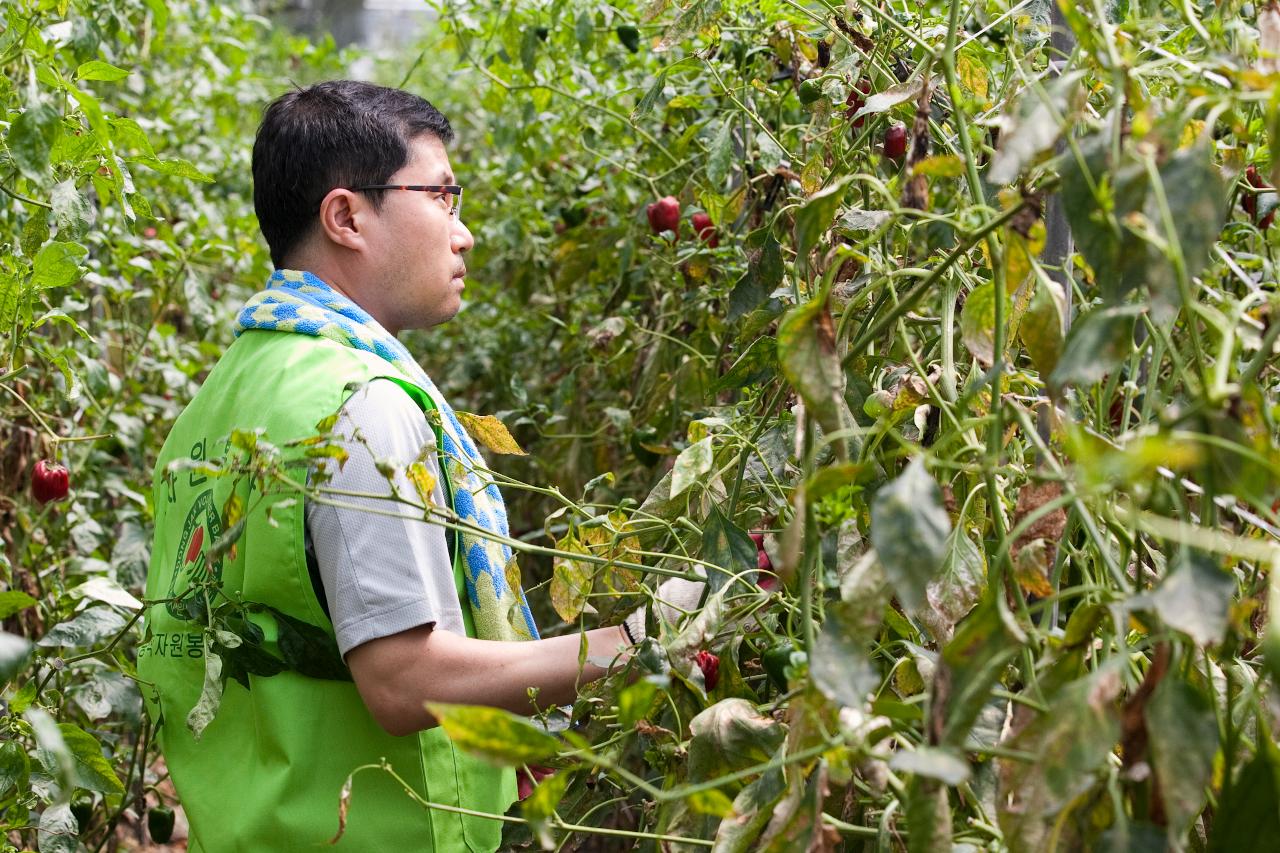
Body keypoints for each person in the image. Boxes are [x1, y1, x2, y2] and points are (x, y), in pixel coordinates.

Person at [138, 80, 703, 852]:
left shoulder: (217, 402)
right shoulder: (362, 404)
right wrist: (630, 642)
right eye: (441, 196)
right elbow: (403, 680)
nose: (463, 233)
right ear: (346, 216)